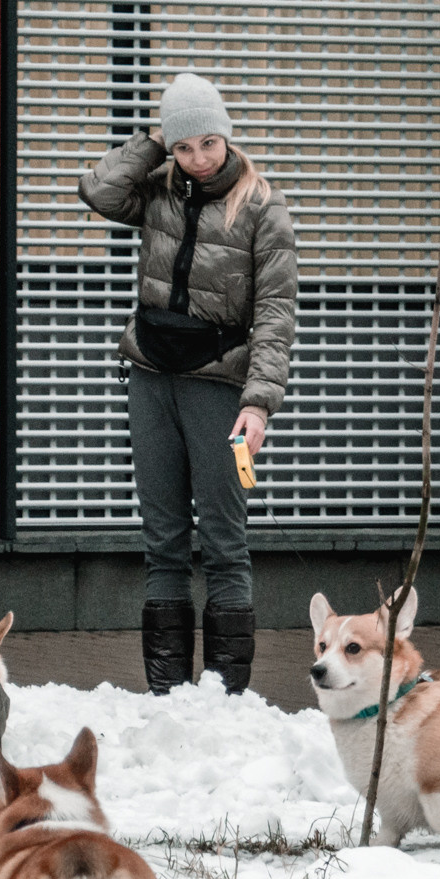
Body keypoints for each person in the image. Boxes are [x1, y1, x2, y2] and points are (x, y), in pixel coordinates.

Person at [77, 72, 298, 694]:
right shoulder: (158, 192)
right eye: (183, 146)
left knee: (225, 542)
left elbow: (276, 317)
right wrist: (152, 141)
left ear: (226, 136)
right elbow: (97, 190)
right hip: (151, 381)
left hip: (219, 394)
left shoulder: (262, 208)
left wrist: (259, 406)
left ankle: (224, 700)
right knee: (163, 542)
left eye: (207, 143)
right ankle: (168, 695)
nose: (198, 159)